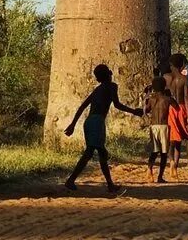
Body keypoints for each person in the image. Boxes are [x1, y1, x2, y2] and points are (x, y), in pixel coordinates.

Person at [63, 63, 142, 194]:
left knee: (100, 153)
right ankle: (72, 180)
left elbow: (82, 107)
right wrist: (134, 111)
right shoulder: (112, 86)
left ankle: (109, 184)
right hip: (97, 122)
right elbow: (117, 105)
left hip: (89, 121)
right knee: (92, 153)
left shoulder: (97, 90)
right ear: (109, 75)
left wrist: (73, 124)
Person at [166, 53, 188, 173]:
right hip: (181, 108)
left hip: (169, 108)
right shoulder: (184, 78)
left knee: (171, 138)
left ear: (171, 64)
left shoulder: (165, 77)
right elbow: (186, 97)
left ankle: (171, 161)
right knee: (179, 138)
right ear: (181, 65)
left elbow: (163, 93)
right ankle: (176, 164)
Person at [144, 75, 175, 183]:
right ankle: (160, 177)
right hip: (164, 126)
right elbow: (177, 107)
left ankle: (149, 169)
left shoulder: (151, 99)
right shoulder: (167, 99)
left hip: (153, 127)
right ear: (164, 86)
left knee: (154, 151)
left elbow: (146, 110)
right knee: (163, 153)